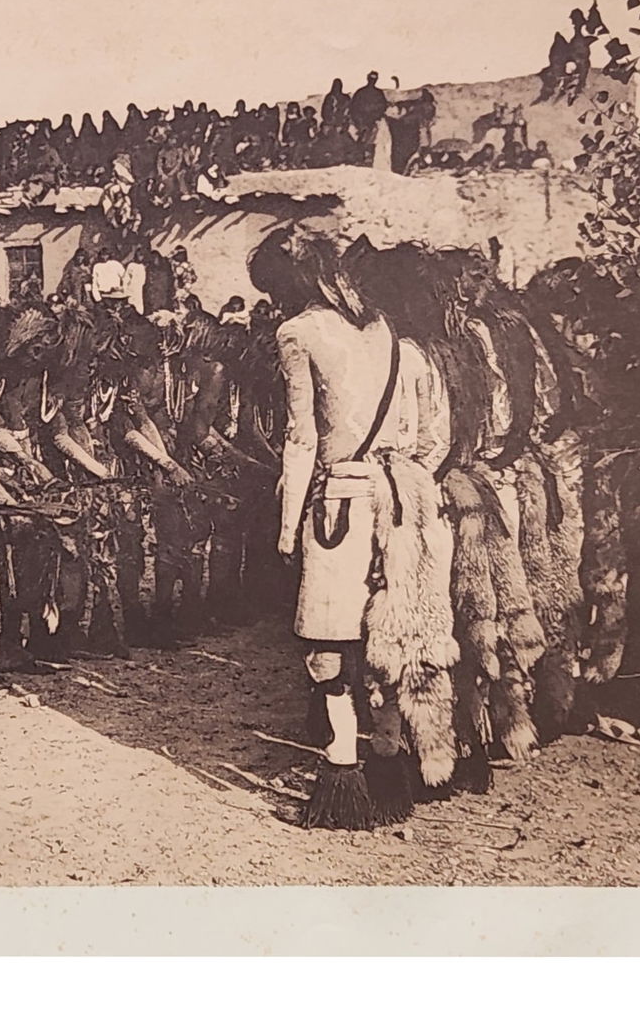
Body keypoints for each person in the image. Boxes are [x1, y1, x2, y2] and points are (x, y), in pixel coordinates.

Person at [250, 227, 456, 830]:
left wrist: (288, 526)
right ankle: (390, 757)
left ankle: (342, 762)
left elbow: (301, 437)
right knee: (388, 635)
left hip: (339, 502)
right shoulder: (389, 334)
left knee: (328, 643)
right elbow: (428, 441)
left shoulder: (297, 334)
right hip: (401, 501)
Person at [349, 71, 389, 152]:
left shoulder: (377, 93)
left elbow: (383, 107)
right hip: (361, 122)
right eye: (371, 79)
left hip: (372, 122)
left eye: (374, 79)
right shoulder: (362, 92)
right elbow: (353, 107)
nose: (372, 81)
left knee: (370, 141)